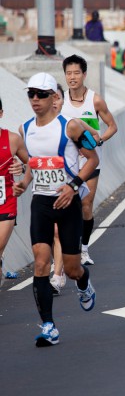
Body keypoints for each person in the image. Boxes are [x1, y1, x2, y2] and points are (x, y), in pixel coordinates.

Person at [14, 72, 99, 347]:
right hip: (41, 201)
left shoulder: (70, 127)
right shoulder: (25, 129)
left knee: (72, 269)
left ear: (54, 97)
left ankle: (83, 283)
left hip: (68, 203)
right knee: (41, 263)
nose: (35, 99)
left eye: (41, 94)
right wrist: (24, 183)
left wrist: (73, 186)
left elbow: (92, 159)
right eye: (31, 94)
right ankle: (49, 326)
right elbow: (34, 163)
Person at [62, 54, 118, 266]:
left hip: (91, 160)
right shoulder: (60, 101)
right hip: (68, 162)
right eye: (69, 73)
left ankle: (84, 248)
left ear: (84, 74)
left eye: (76, 73)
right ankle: (67, 249)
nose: (72, 77)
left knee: (86, 204)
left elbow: (112, 126)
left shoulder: (95, 100)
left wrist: (99, 140)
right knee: (69, 206)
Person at [50, 85, 100, 296]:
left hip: (70, 185)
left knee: (58, 231)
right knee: (54, 233)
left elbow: (94, 139)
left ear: (62, 100)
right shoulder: (32, 128)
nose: (53, 102)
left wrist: (83, 147)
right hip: (46, 189)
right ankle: (57, 271)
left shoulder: (72, 124)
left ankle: (58, 275)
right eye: (48, 97)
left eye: (56, 97)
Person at [0, 97, 29, 287]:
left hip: (6, 203)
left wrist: (22, 167)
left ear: (1, 114)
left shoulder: (12, 139)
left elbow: (32, 163)